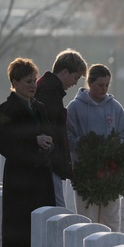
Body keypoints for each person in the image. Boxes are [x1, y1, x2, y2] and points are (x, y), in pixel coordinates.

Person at [0, 58, 56, 247]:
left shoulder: (39, 108)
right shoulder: (6, 109)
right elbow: (5, 145)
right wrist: (34, 141)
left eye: (34, 81)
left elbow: (51, 133)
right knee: (18, 222)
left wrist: (49, 143)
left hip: (40, 175)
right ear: (15, 82)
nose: (33, 85)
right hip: (19, 176)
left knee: (39, 221)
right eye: (28, 81)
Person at [66, 64, 124, 231]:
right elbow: (67, 138)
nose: (104, 89)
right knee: (87, 221)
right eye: (100, 85)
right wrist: (85, 145)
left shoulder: (114, 107)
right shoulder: (75, 108)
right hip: (85, 174)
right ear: (89, 83)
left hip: (110, 173)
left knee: (111, 220)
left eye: (107, 85)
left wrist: (114, 148)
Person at [35, 49, 87, 206]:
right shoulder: (48, 92)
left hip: (49, 161)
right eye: (75, 77)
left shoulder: (50, 89)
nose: (75, 83)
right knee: (56, 209)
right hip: (47, 162)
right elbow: (48, 128)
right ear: (65, 72)